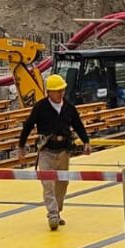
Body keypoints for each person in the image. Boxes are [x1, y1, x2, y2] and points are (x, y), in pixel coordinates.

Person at [18, 73, 93, 231]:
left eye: (62, 90)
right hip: (46, 151)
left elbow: (78, 125)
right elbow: (28, 125)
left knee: (62, 183)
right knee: (48, 183)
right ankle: (52, 214)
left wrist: (86, 141)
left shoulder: (69, 108)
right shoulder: (40, 108)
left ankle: (57, 211)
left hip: (63, 150)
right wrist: (21, 146)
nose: (60, 94)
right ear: (49, 92)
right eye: (57, 91)